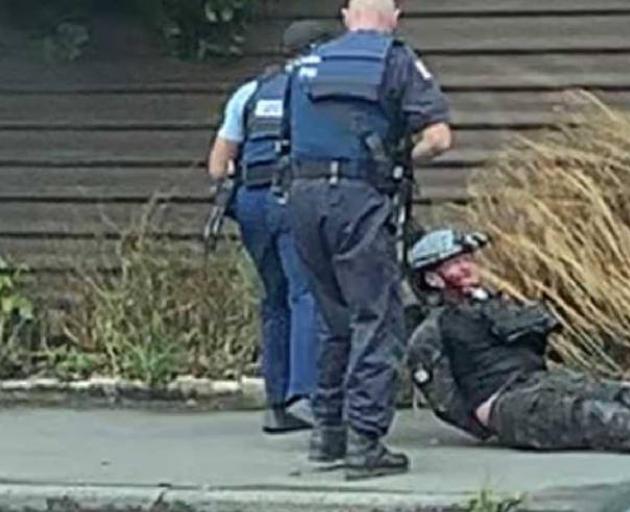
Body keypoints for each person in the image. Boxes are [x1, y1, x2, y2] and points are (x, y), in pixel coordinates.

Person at [286, 0, 452, 479]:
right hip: (357, 200)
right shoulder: (395, 60)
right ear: (394, 16)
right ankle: (365, 444)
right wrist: (401, 161)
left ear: (345, 16)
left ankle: (327, 435)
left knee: (332, 318)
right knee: (375, 318)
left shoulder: (306, 65)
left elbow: (288, 138)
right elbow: (438, 138)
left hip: (302, 198)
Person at [208, 21, 332, 434]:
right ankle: (305, 395)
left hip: (250, 203)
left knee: (274, 298)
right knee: (306, 294)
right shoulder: (316, 90)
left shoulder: (250, 91)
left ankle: (277, 404)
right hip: (291, 197)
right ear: (318, 50)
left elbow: (219, 164)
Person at [406, 228, 630, 452]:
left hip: (542, 383)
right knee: (600, 418)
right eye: (454, 263)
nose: (466, 267)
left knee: (618, 394)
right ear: (432, 278)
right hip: (509, 401)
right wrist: (486, 419)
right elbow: (443, 399)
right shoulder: (433, 330)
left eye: (467, 259)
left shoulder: (496, 306)